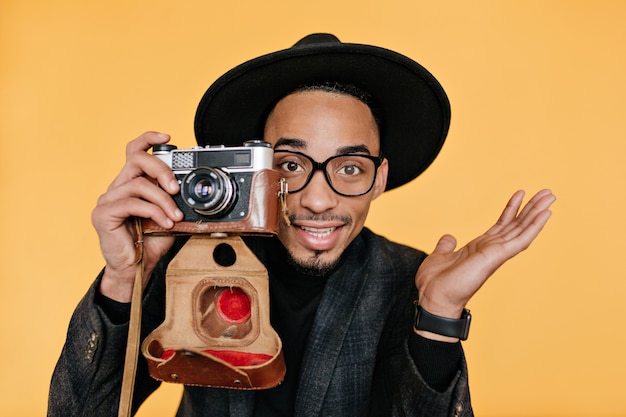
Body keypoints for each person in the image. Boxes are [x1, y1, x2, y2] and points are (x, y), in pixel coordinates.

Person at [48, 33, 555, 416]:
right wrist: (122, 278)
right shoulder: (189, 260)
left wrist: (440, 316)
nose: (316, 199)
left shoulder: (413, 282)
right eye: (290, 165)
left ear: (380, 179)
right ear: (257, 172)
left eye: (349, 168)